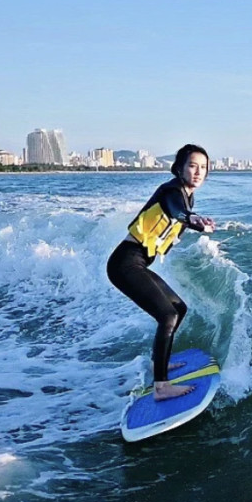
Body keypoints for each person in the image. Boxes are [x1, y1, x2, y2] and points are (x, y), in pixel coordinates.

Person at [107, 144, 216, 401]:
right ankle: (161, 387)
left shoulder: (189, 197)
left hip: (138, 264)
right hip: (125, 263)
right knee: (166, 315)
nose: (198, 172)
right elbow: (175, 209)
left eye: (203, 167)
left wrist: (195, 221)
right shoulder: (171, 191)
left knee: (178, 309)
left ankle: (160, 364)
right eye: (192, 165)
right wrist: (191, 219)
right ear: (179, 168)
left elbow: (183, 213)